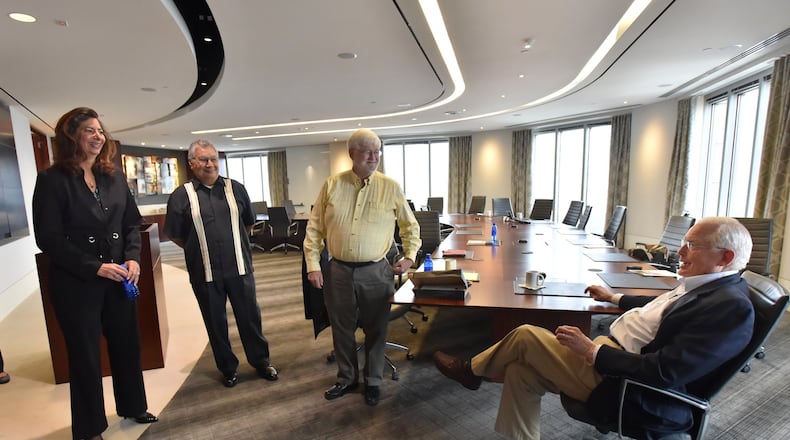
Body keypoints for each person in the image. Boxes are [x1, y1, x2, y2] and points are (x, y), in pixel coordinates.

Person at [433, 217, 755, 439]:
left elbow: (665, 372)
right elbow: (658, 311)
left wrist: (592, 351)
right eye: (684, 243)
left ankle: (472, 372)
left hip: (629, 387)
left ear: (725, 257)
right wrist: (614, 296)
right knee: (520, 370)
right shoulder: (702, 286)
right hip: (612, 359)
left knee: (527, 334)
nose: (680, 252)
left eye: (693, 246)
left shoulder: (729, 307)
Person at [32, 107, 158, 440]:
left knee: (127, 346)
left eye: (100, 130)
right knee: (86, 357)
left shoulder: (113, 175)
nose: (98, 136)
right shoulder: (51, 180)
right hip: (78, 282)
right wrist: (94, 266)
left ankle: (133, 405)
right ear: (71, 135)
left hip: (119, 277)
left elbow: (131, 223)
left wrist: (133, 259)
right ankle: (90, 428)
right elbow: (49, 238)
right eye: (90, 130)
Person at [303, 128, 421, 406]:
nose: (374, 156)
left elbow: (410, 227)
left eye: (377, 150)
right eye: (368, 151)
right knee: (341, 328)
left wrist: (409, 256)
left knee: (376, 328)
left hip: (377, 271)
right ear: (351, 154)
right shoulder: (332, 184)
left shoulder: (390, 186)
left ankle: (373, 381)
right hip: (338, 271)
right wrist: (312, 264)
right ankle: (346, 378)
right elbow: (315, 228)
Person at [164, 139, 278, 388]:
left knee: (250, 318)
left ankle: (261, 361)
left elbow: (248, 224)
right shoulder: (182, 196)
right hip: (204, 271)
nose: (210, 164)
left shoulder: (235, 188)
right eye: (203, 159)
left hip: (239, 268)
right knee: (215, 322)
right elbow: (175, 234)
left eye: (213, 159)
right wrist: (198, 249)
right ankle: (228, 368)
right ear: (192, 163)